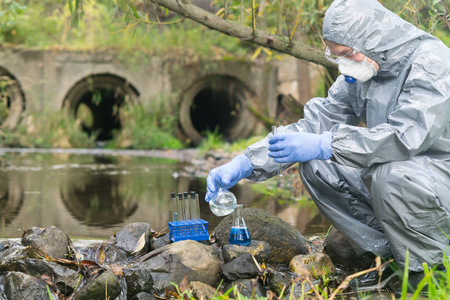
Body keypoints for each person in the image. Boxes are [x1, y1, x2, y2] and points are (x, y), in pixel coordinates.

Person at [205, 0, 450, 294]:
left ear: (374, 39)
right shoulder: (362, 69)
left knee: (389, 175)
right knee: (318, 164)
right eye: (336, 56)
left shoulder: (432, 63)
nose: (343, 64)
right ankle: (392, 257)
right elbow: (315, 125)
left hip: (438, 177)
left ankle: (429, 273)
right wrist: (246, 162)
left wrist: (326, 143)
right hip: (406, 178)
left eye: (346, 54)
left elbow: (405, 137)